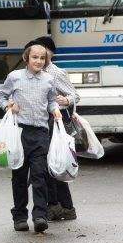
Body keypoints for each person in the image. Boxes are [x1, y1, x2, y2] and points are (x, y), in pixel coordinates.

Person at [0, 44, 63, 233]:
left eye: (42, 58)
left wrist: (55, 110)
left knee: (39, 175)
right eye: (35, 57)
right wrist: (8, 105)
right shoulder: (14, 77)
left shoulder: (49, 80)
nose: (38, 61)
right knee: (19, 176)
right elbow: (1, 95)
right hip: (19, 132)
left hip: (41, 132)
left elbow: (51, 101)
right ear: (26, 58)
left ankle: (40, 215)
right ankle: (19, 217)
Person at [32, 35, 80, 222]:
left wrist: (65, 100)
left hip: (54, 124)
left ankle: (63, 206)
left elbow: (75, 95)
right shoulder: (33, 71)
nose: (38, 55)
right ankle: (58, 206)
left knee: (54, 164)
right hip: (39, 123)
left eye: (42, 51)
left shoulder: (56, 73)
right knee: (45, 167)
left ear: (50, 53)